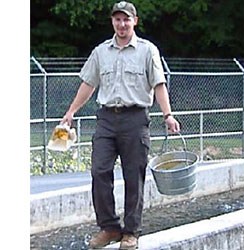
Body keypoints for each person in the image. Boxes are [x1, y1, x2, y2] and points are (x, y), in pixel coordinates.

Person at [61, 1, 180, 249]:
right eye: (117, 19)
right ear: (112, 22)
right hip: (105, 118)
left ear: (134, 21)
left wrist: (168, 115)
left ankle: (131, 232)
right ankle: (109, 227)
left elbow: (159, 84)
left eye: (126, 19)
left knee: (133, 177)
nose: (122, 24)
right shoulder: (101, 52)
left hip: (135, 120)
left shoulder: (147, 51)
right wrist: (71, 111)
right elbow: (88, 84)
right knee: (99, 171)